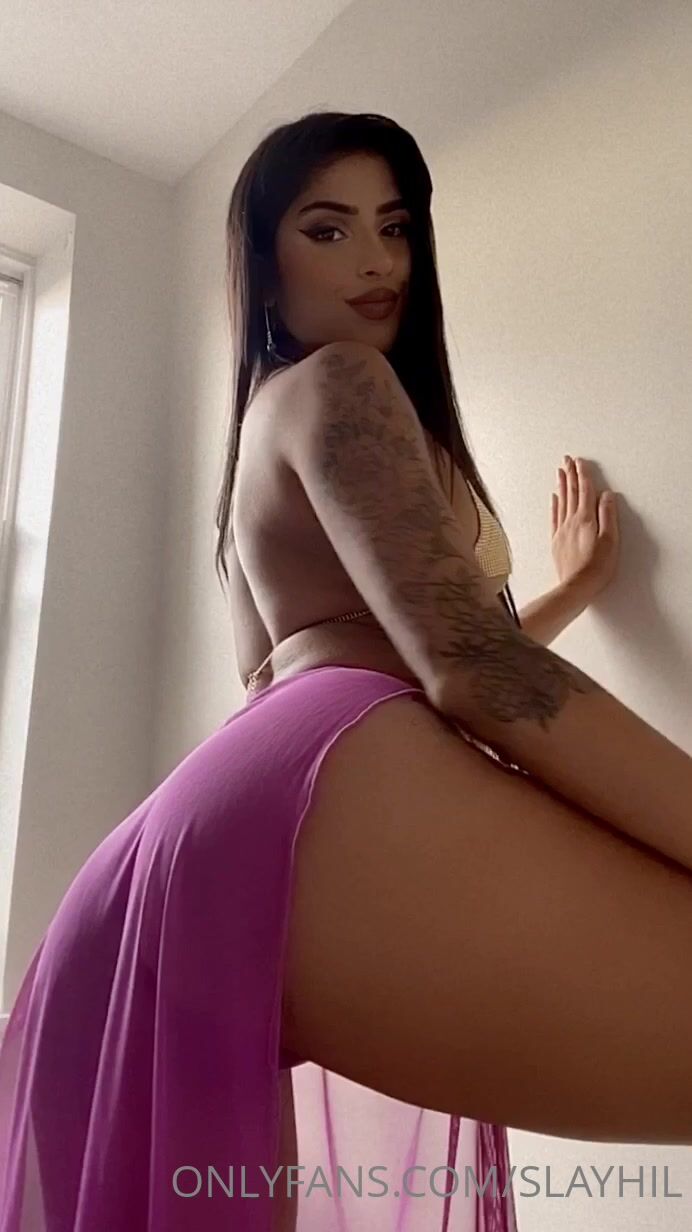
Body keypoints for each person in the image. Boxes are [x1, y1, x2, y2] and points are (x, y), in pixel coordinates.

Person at [1, 111, 692, 1232]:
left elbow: (359, 657)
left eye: (395, 227)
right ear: (264, 269)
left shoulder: (264, 437)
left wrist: (561, 595)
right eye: (327, 230)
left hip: (199, 847)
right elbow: (461, 664)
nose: (375, 261)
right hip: (302, 791)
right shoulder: (343, 382)